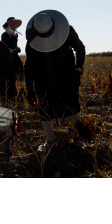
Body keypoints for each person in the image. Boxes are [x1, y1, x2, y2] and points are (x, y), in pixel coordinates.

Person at [24, 10, 86, 150]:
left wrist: (78, 69)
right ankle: (50, 141)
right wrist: (29, 88)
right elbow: (29, 66)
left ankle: (78, 138)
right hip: (43, 75)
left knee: (73, 104)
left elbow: (80, 48)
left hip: (66, 71)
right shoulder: (32, 41)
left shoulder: (67, 30)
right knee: (45, 106)